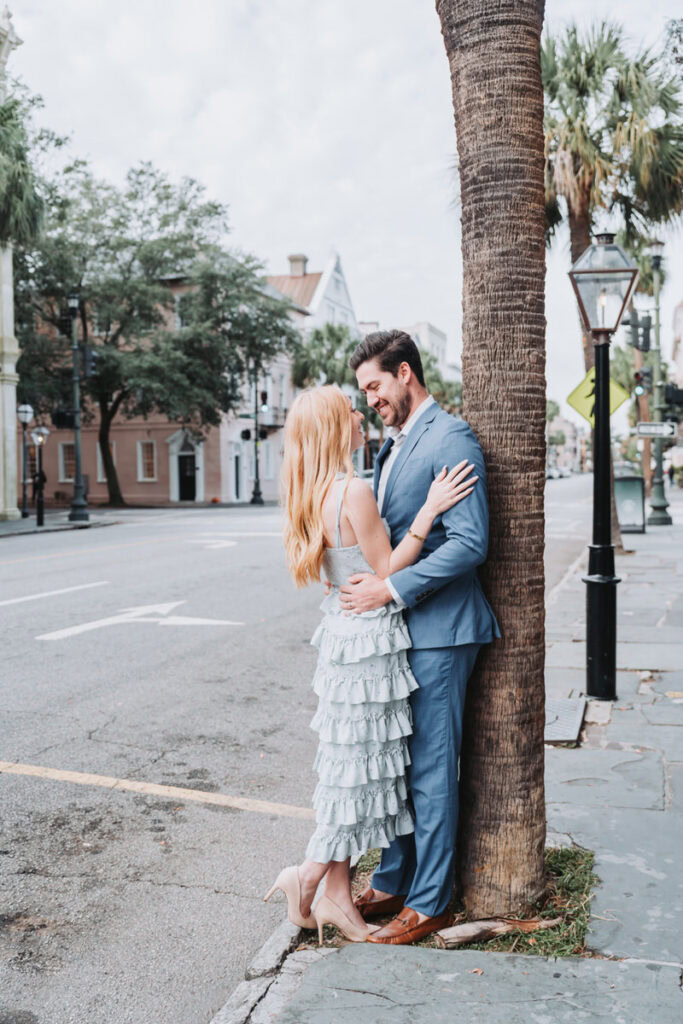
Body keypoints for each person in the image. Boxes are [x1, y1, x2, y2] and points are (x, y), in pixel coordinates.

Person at [265, 384, 478, 944]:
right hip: (369, 638)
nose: (361, 415)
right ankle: (310, 875)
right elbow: (387, 568)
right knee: (365, 765)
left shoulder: (307, 490)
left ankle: (332, 889)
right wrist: (429, 511)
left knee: (349, 764)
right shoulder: (353, 490)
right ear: (338, 428)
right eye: (351, 410)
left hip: (340, 636)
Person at [339, 329, 500, 946]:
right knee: (399, 765)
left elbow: (468, 541)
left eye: (375, 386)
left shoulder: (450, 436)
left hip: (442, 629)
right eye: (365, 392)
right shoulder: (393, 445)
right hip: (401, 632)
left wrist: (392, 591)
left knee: (431, 767)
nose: (372, 399)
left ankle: (431, 900)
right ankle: (396, 876)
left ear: (405, 373)